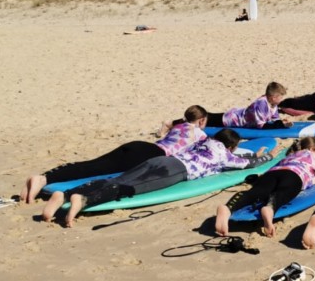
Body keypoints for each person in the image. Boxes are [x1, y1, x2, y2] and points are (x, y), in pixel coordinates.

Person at [42, 129, 275, 227]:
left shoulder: (204, 141)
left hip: (160, 160)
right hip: (174, 171)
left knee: (121, 177)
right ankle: (83, 201)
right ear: (231, 146)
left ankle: (65, 194)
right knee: (131, 188)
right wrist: (267, 157)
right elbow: (247, 164)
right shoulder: (224, 154)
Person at [23, 105, 210, 203]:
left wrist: (163, 130)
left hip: (139, 145)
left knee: (93, 164)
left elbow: (167, 125)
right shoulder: (200, 135)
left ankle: (45, 177)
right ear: (201, 121)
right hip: (149, 155)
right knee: (98, 170)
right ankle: (47, 183)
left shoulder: (179, 125)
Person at [214, 136, 315, 238]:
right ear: (311, 149)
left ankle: (228, 208)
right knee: (284, 192)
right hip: (294, 175)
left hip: (272, 173)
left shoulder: (289, 156)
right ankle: (270, 208)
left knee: (255, 193)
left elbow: (269, 171)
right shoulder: (311, 155)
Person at [205, 82, 292, 129]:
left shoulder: (273, 104)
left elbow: (275, 119)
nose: (282, 99)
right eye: (281, 97)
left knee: (209, 118)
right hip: (233, 120)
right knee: (208, 119)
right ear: (273, 97)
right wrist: (279, 125)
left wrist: (282, 122)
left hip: (238, 115)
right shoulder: (261, 104)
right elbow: (261, 126)